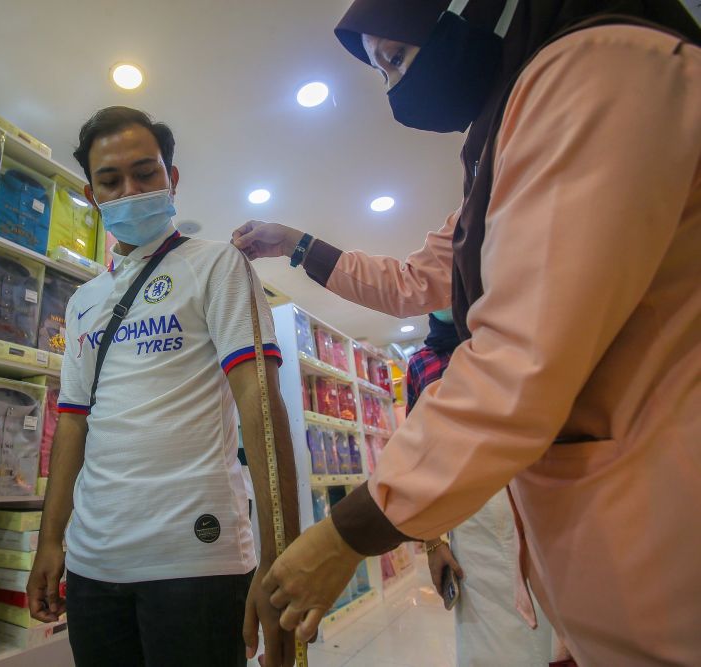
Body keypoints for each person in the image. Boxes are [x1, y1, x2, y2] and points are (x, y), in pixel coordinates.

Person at [233, 1, 701, 664]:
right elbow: (405, 281)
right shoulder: (502, 140)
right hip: (609, 569)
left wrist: (351, 528)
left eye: (394, 58)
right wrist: (298, 242)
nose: (394, 87)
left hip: (668, 543)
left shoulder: (593, 71)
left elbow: (518, 359)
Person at [26, 106, 301, 667]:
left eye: (145, 172)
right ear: (92, 193)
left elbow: (258, 404)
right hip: (93, 564)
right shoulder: (83, 302)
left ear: (172, 178)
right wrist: (50, 541)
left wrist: (280, 556)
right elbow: (74, 421)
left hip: (198, 563)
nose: (130, 190)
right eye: (111, 180)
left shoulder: (218, 266)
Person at [410, 310, 554, 667]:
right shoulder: (422, 364)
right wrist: (432, 542)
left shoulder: (505, 339)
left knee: (556, 637)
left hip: (541, 508)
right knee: (489, 645)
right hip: (472, 522)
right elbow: (419, 456)